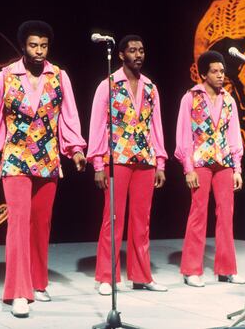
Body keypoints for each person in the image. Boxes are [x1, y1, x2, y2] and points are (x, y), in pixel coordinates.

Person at [0, 20, 87, 317]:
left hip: (48, 158)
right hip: (15, 159)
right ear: (22, 47)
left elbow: (69, 117)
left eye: (43, 46)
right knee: (18, 224)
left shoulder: (59, 76)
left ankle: (38, 283)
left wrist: (76, 150)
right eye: (33, 46)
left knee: (41, 224)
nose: (39, 51)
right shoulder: (5, 77)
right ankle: (18, 291)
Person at [87, 34, 168, 296]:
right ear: (121, 55)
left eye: (142, 50)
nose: (138, 54)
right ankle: (106, 276)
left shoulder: (151, 88)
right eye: (133, 50)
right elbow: (98, 125)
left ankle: (142, 275)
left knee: (141, 220)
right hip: (117, 158)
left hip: (144, 158)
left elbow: (156, 128)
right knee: (113, 218)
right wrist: (98, 163)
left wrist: (161, 162)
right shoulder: (108, 85)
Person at [175, 51, 245, 287]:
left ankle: (227, 269)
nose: (219, 76)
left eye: (222, 71)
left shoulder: (229, 100)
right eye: (214, 71)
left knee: (226, 215)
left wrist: (237, 168)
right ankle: (191, 269)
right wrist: (188, 168)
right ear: (203, 73)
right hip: (200, 162)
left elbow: (234, 135)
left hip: (224, 161)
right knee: (198, 213)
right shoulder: (191, 98)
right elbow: (184, 134)